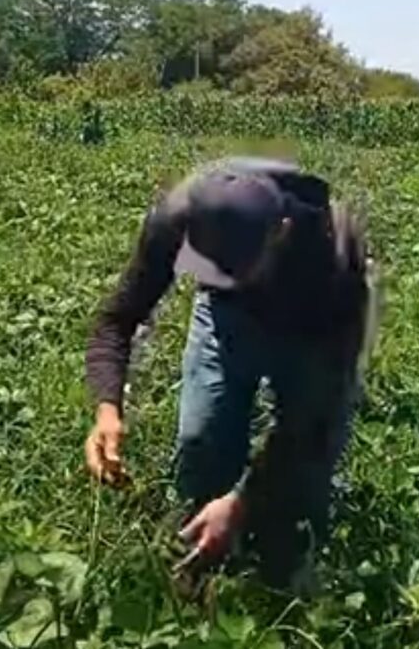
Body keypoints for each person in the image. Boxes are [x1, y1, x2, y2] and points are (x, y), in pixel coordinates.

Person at [83, 155, 378, 595]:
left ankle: (287, 578)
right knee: (201, 441)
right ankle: (197, 576)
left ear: (281, 230)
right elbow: (118, 320)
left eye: (239, 269)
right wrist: (107, 410)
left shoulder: (335, 258)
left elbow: (313, 412)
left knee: (304, 484)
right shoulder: (178, 218)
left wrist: (243, 503)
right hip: (226, 319)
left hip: (310, 326)